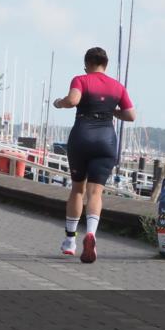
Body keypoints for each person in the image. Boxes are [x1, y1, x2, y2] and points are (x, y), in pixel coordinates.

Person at [52, 47, 135, 263]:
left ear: (87, 64)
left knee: (78, 189)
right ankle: (91, 233)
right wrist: (112, 111)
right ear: (105, 64)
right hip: (106, 140)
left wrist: (59, 103)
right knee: (96, 192)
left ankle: (70, 241)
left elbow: (72, 100)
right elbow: (130, 114)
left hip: (82, 137)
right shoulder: (117, 86)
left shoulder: (81, 79)